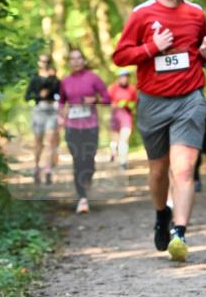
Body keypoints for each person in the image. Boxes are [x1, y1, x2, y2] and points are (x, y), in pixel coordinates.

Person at [113, 0, 206, 262]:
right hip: (153, 102)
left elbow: (202, 53)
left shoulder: (196, 13)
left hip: (190, 98)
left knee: (183, 170)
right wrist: (151, 48)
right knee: (158, 170)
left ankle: (179, 233)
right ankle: (162, 214)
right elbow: (119, 56)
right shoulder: (142, 15)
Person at [58, 48, 110, 213]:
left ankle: (87, 180)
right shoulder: (65, 81)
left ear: (84, 60)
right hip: (72, 127)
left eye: (79, 58)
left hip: (90, 126)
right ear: (69, 62)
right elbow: (60, 102)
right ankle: (82, 199)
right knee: (77, 161)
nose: (76, 61)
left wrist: (94, 99)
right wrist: (61, 114)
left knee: (89, 161)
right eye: (72, 59)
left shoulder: (93, 78)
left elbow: (107, 99)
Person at [25, 54, 61, 184]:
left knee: (50, 141)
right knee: (38, 142)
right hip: (39, 111)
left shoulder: (54, 79)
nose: (44, 63)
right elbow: (27, 96)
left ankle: (48, 170)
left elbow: (60, 95)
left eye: (47, 61)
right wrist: (38, 96)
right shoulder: (35, 79)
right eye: (42, 61)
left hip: (52, 111)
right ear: (39, 62)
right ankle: (36, 167)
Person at [108, 71, 138, 169]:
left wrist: (129, 104)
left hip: (126, 117)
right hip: (115, 116)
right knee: (115, 139)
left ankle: (123, 161)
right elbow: (107, 102)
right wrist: (115, 104)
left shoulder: (132, 89)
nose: (124, 79)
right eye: (122, 77)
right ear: (119, 78)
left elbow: (135, 102)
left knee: (124, 139)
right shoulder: (113, 88)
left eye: (126, 77)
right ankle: (113, 151)